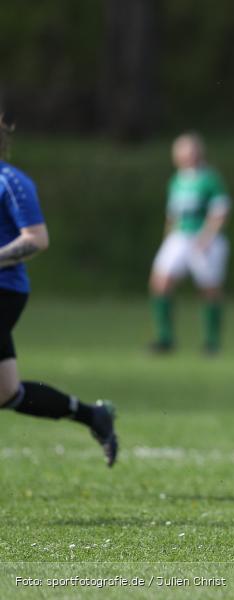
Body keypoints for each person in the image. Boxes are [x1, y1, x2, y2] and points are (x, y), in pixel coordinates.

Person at [0, 115, 118, 466]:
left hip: (4, 290)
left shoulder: (11, 182)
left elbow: (37, 239)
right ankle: (93, 416)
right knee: (6, 392)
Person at [148, 133, 231, 355]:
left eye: (191, 152)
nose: (186, 157)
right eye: (182, 152)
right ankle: (165, 338)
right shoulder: (176, 180)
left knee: (210, 289)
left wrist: (207, 236)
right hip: (180, 237)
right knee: (160, 281)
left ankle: (212, 343)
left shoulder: (210, 179)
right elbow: (173, 215)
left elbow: (220, 211)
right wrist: (168, 238)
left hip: (204, 238)